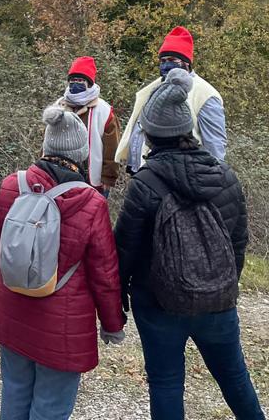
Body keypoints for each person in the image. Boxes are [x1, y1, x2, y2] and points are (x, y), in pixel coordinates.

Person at [114, 69, 264, 420]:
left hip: (158, 302)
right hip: (217, 304)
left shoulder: (145, 183)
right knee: (234, 376)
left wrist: (118, 299)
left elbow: (125, 250)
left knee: (166, 383)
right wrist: (225, 285)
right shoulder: (224, 176)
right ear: (187, 130)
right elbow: (238, 240)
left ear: (150, 134)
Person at [0, 105, 126, 420]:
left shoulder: (11, 187)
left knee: (15, 395)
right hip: (63, 325)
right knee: (50, 408)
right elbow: (105, 273)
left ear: (45, 145)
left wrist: (7, 286)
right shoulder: (91, 202)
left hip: (13, 312)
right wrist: (112, 324)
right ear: (80, 153)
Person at [116, 26, 227, 172]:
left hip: (182, 175)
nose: (166, 64)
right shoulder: (154, 87)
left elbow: (215, 145)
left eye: (172, 59)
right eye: (163, 60)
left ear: (186, 62)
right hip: (147, 171)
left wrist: (210, 178)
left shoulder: (205, 94)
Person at [59, 56, 121, 195]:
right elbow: (47, 139)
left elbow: (112, 148)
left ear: (89, 83)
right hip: (62, 178)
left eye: (80, 80)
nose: (75, 84)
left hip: (92, 180)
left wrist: (108, 177)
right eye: (72, 80)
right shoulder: (59, 107)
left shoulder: (104, 110)